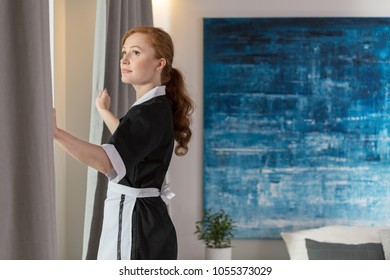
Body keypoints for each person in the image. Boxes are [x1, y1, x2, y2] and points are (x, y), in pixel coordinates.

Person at [53, 26, 194, 260]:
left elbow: (107, 161)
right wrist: (104, 111)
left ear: (160, 63)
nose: (124, 59)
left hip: (134, 223)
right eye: (124, 52)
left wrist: (56, 133)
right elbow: (131, 143)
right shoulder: (155, 107)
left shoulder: (148, 112)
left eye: (136, 53)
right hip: (147, 222)